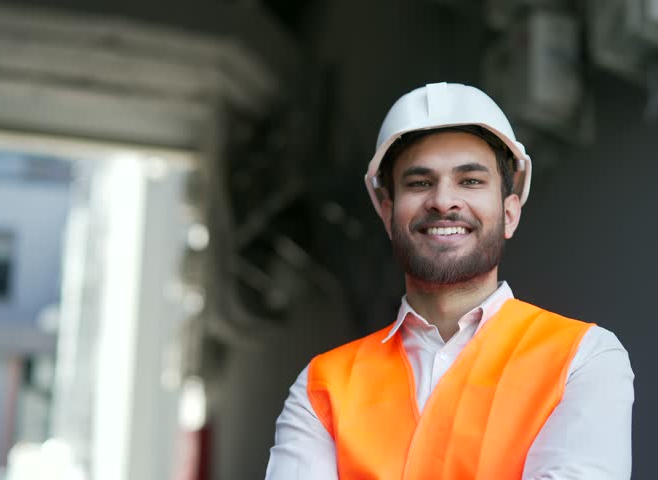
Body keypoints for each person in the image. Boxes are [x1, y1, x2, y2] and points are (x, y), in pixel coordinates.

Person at [265, 82, 634, 479]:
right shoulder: (324, 386)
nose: (443, 201)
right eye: (420, 183)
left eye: (470, 181)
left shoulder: (582, 359)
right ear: (388, 213)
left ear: (510, 213)